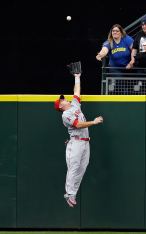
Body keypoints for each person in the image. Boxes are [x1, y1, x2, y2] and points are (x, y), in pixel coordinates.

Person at [54, 71, 103, 208]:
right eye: (62, 100)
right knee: (74, 168)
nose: (64, 99)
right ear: (60, 106)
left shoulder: (75, 105)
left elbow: (77, 92)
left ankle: (73, 193)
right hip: (75, 142)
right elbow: (78, 124)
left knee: (82, 167)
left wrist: (77, 77)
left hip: (85, 142)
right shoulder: (65, 114)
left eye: (63, 98)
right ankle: (69, 193)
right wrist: (93, 122)